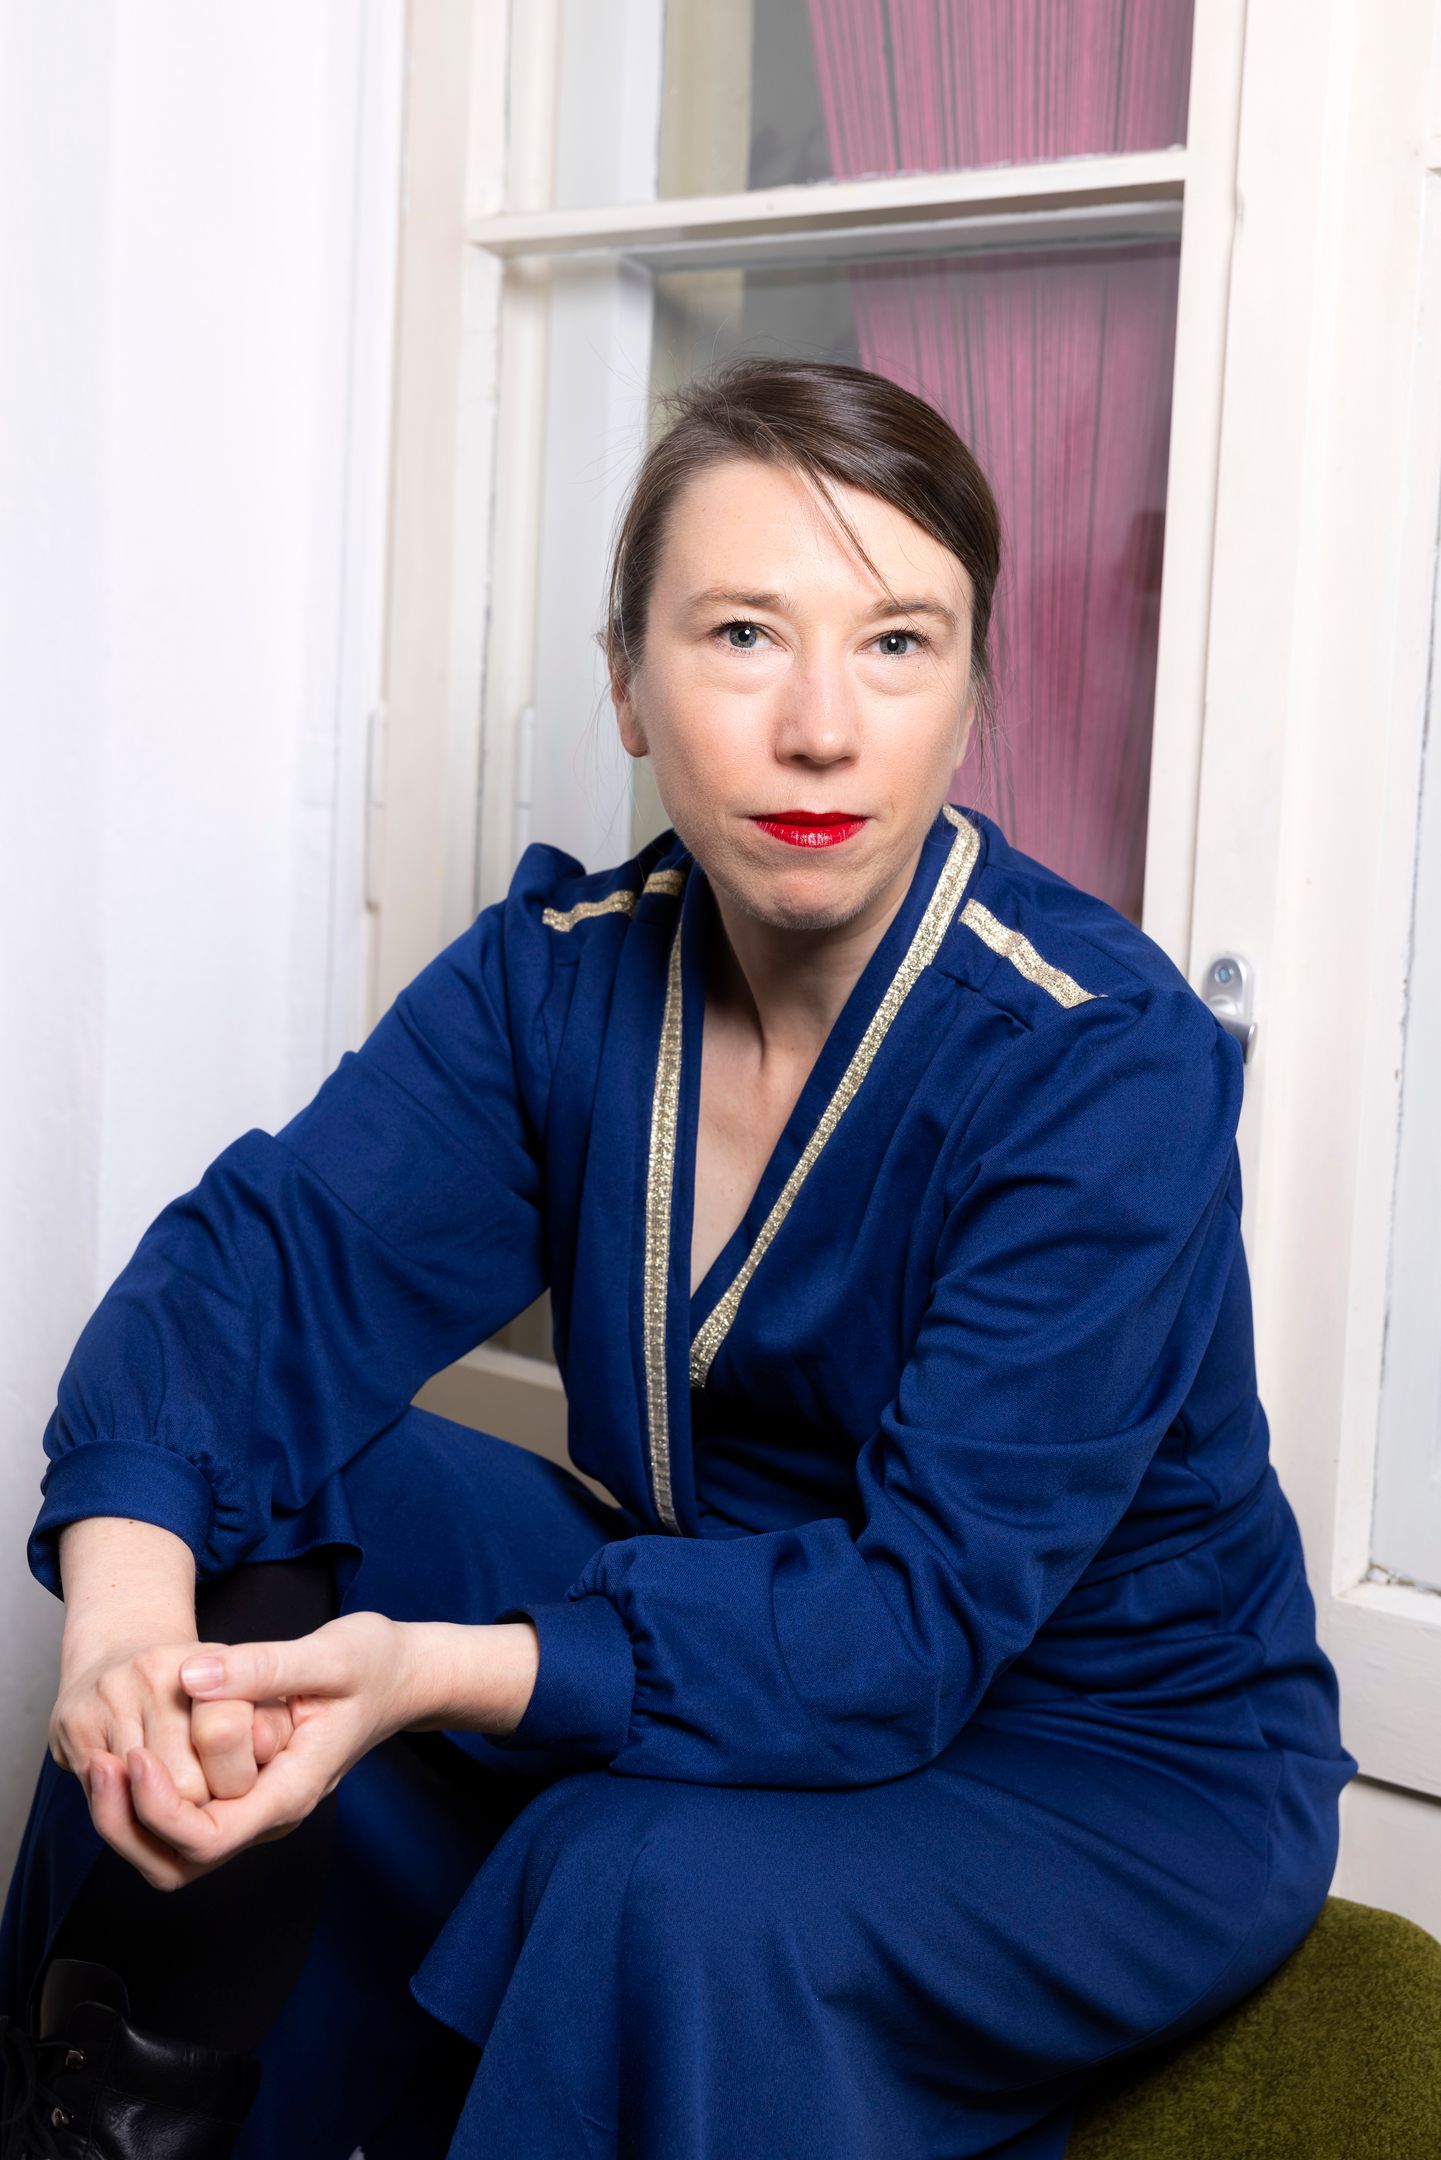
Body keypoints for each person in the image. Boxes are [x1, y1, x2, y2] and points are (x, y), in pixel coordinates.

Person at [0, 357, 1358, 2160]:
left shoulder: (1097, 1063)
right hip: (729, 1613)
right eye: (740, 635)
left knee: (636, 1874)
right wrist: (122, 1623)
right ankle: (123, 2116)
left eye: (896, 643)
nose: (821, 727)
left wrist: (432, 1670)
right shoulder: (560, 971)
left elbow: (912, 1625)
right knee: (265, 1493)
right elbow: (256, 1281)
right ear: (626, 684)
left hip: (1093, 1749)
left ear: (971, 695)